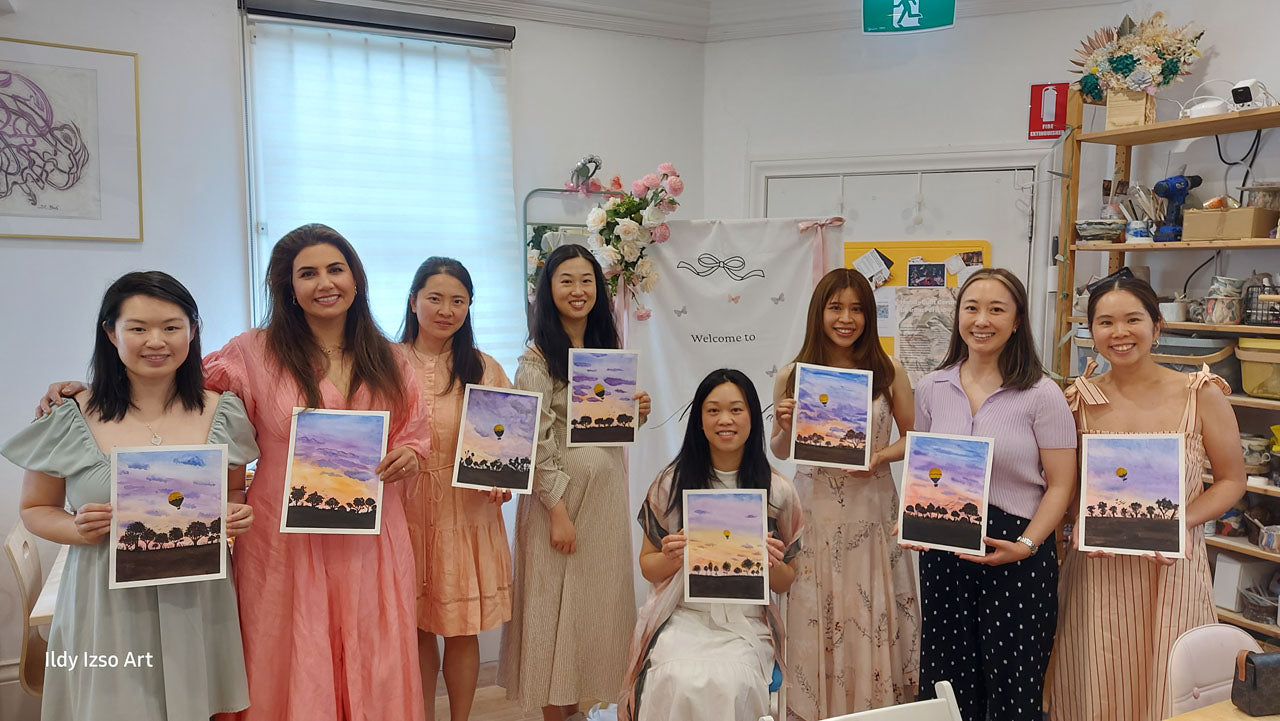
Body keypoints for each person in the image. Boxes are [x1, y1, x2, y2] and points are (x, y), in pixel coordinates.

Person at [5, 271, 257, 720]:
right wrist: (76, 528)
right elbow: (35, 509)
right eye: (138, 328)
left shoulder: (223, 410)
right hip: (104, 603)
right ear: (111, 333)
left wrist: (236, 512)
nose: (155, 341)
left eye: (171, 326)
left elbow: (235, 489)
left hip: (195, 597)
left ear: (193, 331)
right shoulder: (70, 415)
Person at [1047, 275, 1246, 721]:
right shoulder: (1079, 400)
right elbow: (1070, 488)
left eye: (1133, 319)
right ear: (1091, 332)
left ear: (1157, 327)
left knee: (1168, 683)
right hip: (1099, 571)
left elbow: (1232, 480)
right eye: (1105, 322)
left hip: (1172, 568)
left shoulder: (1200, 393)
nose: (1119, 333)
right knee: (1097, 677)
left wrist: (1180, 522)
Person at [910, 268, 1076, 721]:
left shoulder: (1043, 394)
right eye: (972, 308)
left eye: (996, 309)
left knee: (1013, 684)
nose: (982, 320)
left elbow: (1061, 483)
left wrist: (1027, 545)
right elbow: (925, 468)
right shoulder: (931, 387)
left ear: (1018, 320)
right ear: (959, 316)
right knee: (947, 680)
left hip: (1019, 548)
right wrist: (911, 517)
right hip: (946, 547)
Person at [496, 244, 651, 721]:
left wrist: (634, 415)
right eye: (566, 280)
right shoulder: (536, 360)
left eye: (586, 281)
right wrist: (557, 511)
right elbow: (535, 442)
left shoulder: (605, 354)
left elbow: (603, 432)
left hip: (602, 505)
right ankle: (557, 714)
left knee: (592, 613)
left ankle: (580, 712)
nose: (577, 290)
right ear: (548, 290)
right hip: (558, 508)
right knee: (553, 616)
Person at [770, 268, 920, 717]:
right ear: (820, 312)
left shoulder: (889, 371)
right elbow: (780, 450)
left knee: (868, 610)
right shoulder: (793, 374)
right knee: (816, 610)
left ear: (869, 316)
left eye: (857, 308)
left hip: (872, 511)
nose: (846, 318)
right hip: (813, 513)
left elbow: (914, 439)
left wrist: (878, 456)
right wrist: (782, 426)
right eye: (836, 307)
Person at [620, 368, 803, 721]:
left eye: (736, 409)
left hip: (747, 622)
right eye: (713, 410)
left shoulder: (778, 491)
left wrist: (771, 564)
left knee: (730, 683)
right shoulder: (670, 484)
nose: (725, 420)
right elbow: (647, 566)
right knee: (673, 676)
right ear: (699, 421)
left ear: (752, 417)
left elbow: (787, 581)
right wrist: (672, 558)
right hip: (683, 615)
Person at [397, 257, 513, 721]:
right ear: (413, 301)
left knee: (462, 629)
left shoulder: (483, 367)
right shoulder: (385, 361)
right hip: (402, 514)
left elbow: (508, 444)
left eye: (458, 301)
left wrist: (502, 484)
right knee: (416, 629)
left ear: (469, 307)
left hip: (466, 515)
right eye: (435, 298)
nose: (446, 309)